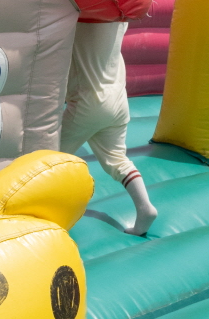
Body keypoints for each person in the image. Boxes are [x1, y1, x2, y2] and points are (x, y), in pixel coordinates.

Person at [60, 20, 159, 235]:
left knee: (47, 158)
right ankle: (144, 207)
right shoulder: (120, 19)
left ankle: (43, 213)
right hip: (118, 100)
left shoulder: (82, 17)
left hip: (88, 102)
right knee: (118, 160)